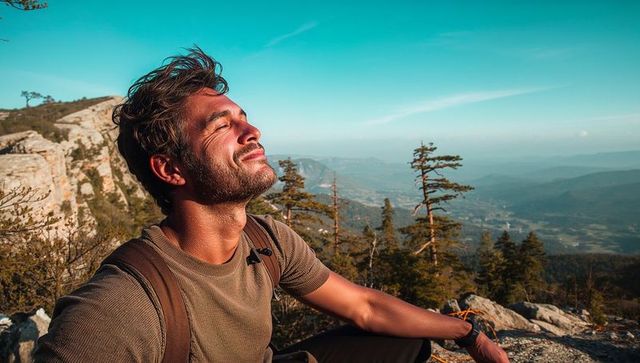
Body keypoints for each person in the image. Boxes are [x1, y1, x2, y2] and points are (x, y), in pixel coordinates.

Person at [35, 47, 509, 363]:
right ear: (171, 170)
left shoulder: (266, 240)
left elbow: (364, 306)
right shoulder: (124, 305)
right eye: (222, 126)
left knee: (404, 343)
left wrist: (466, 334)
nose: (253, 131)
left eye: (245, 118)